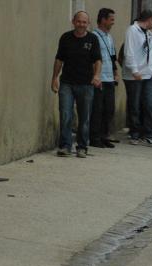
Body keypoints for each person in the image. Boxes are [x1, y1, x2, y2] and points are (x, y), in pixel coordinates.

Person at [52, 11, 102, 158]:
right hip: (67, 82)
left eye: (84, 22)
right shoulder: (65, 38)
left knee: (84, 117)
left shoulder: (93, 39)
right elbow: (59, 59)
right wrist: (54, 77)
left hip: (86, 84)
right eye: (79, 21)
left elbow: (97, 60)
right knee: (65, 114)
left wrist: (97, 75)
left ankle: (82, 146)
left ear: (88, 23)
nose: (81, 24)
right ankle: (65, 146)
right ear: (73, 21)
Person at [122, 10, 152, 146]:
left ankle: (149, 133)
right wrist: (134, 70)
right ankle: (135, 133)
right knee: (135, 105)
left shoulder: (149, 33)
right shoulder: (132, 30)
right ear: (149, 20)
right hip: (135, 75)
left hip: (149, 74)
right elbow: (129, 51)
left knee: (150, 104)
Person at [90, 8, 117, 149]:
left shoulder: (109, 37)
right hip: (99, 78)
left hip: (109, 78)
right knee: (97, 109)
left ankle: (104, 136)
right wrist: (95, 76)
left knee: (109, 109)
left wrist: (115, 72)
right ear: (103, 20)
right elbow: (92, 58)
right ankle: (94, 137)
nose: (113, 22)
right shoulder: (94, 36)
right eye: (111, 19)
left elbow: (112, 57)